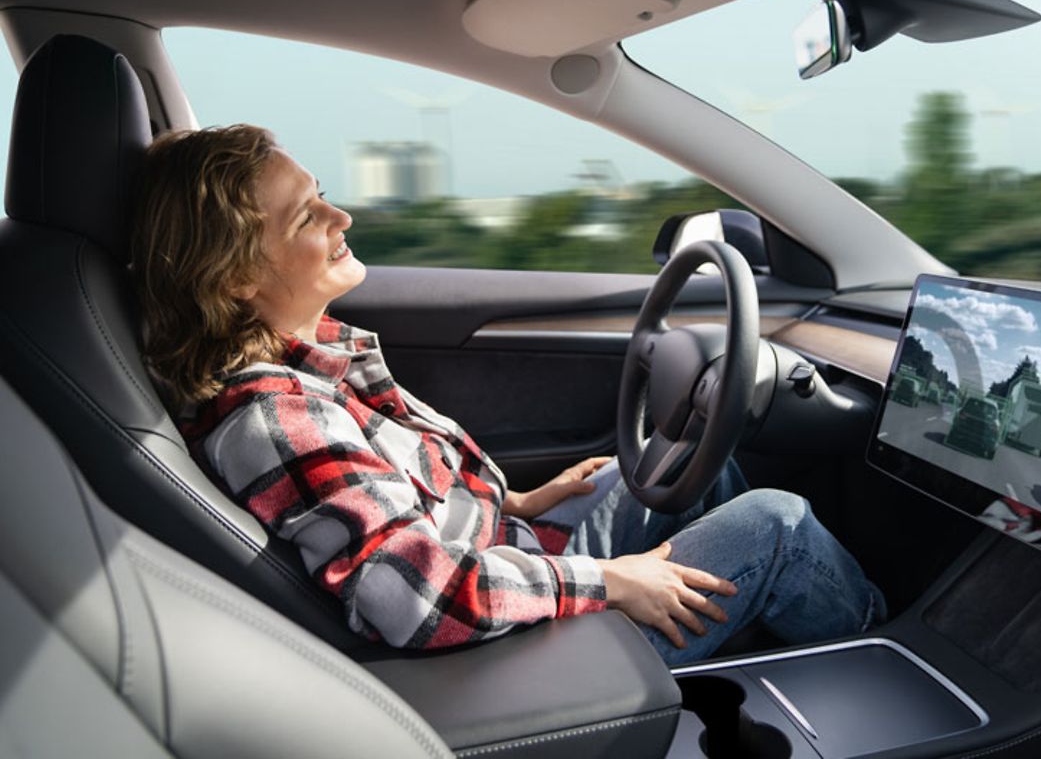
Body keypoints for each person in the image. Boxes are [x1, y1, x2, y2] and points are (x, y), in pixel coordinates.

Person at [131, 123, 884, 664]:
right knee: (777, 526)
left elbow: (402, 510)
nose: (341, 217)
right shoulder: (279, 417)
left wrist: (519, 502)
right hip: (501, 650)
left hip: (508, 553)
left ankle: (748, 640)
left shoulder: (310, 362)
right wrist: (612, 581)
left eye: (322, 195)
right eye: (307, 215)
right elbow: (412, 599)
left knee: (695, 466)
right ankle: (879, 649)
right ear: (235, 277)